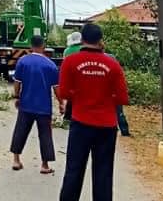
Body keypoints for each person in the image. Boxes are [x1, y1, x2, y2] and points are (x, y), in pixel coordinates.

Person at [58, 23, 129, 201]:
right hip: (106, 127)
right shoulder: (113, 65)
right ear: (100, 40)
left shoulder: (70, 61)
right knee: (103, 174)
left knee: (74, 170)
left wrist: (81, 94)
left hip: (81, 123)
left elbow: (65, 93)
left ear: (82, 39)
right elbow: (122, 98)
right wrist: (104, 98)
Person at [10, 35, 59, 174]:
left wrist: (17, 97)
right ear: (43, 46)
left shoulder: (22, 61)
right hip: (44, 107)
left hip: (26, 104)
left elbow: (17, 82)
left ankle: (16, 160)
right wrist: (62, 103)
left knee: (20, 131)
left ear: (30, 47)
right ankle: (45, 165)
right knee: (45, 135)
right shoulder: (50, 65)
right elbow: (56, 88)